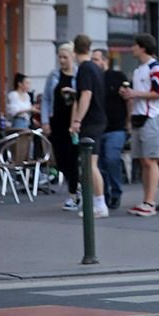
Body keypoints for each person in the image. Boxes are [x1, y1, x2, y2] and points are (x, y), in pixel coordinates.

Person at [121, 33, 159, 217]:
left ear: (143, 47)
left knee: (150, 159)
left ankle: (150, 201)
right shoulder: (140, 69)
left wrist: (135, 94)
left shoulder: (156, 68)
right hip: (139, 116)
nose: (132, 48)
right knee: (142, 160)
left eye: (135, 45)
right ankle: (146, 199)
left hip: (151, 117)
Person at [71, 34, 109, 219]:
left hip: (91, 121)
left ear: (74, 50)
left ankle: (100, 203)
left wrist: (78, 120)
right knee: (89, 164)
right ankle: (95, 202)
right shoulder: (95, 68)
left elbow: (86, 94)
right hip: (98, 118)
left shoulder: (85, 69)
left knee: (90, 164)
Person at [42, 43, 79, 211]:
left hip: (72, 123)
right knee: (61, 160)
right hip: (56, 121)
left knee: (73, 158)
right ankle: (76, 186)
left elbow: (84, 96)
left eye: (65, 57)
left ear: (72, 56)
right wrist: (45, 121)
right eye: (60, 57)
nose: (62, 60)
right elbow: (46, 98)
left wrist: (73, 92)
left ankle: (74, 194)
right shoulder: (54, 75)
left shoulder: (79, 74)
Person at [90, 48, 127, 211]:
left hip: (116, 126)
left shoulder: (117, 77)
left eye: (96, 59)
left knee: (112, 158)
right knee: (100, 164)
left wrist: (129, 120)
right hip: (98, 127)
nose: (94, 63)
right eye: (92, 60)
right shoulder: (91, 78)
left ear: (105, 60)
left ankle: (116, 192)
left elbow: (127, 98)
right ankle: (103, 194)